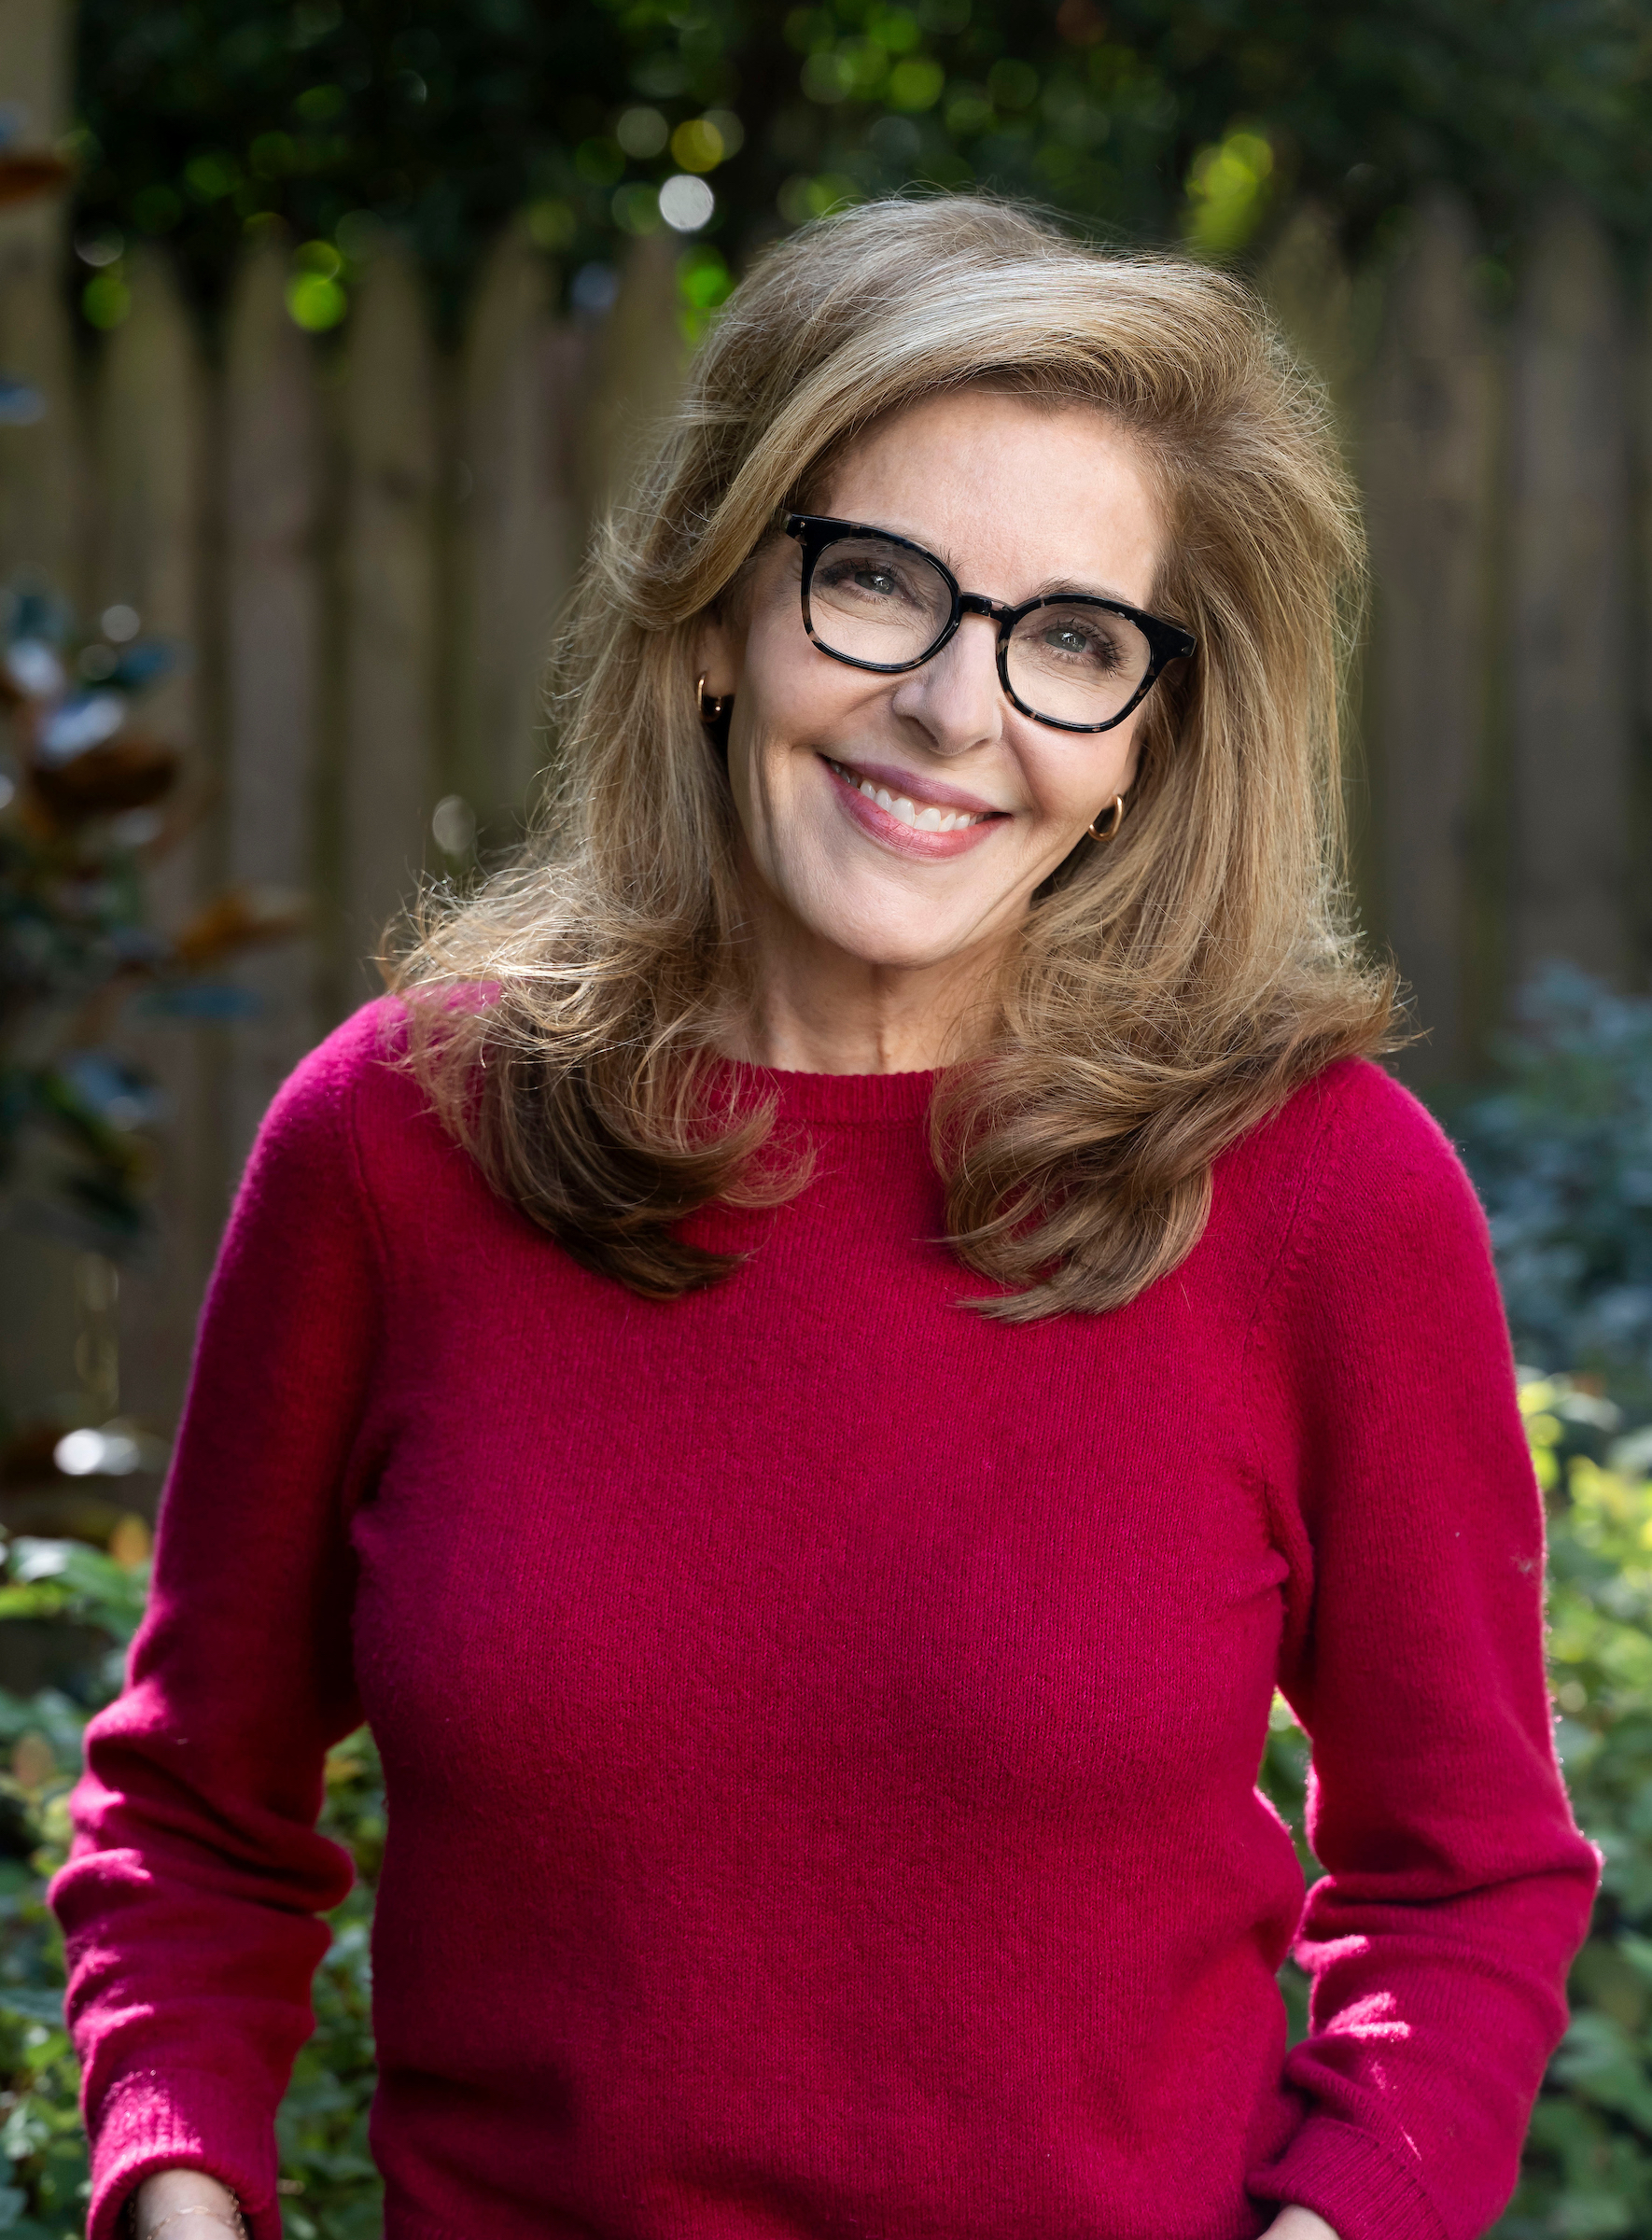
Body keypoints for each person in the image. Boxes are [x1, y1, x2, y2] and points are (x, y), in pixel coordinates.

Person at [54, 195, 1597, 2240]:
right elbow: (191, 1822)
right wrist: (180, 2191)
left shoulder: (1323, 1193)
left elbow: (1467, 1882)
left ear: (1147, 741)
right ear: (715, 617)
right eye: (877, 582)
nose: (956, 708)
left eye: (1073, 639)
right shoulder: (396, 1147)